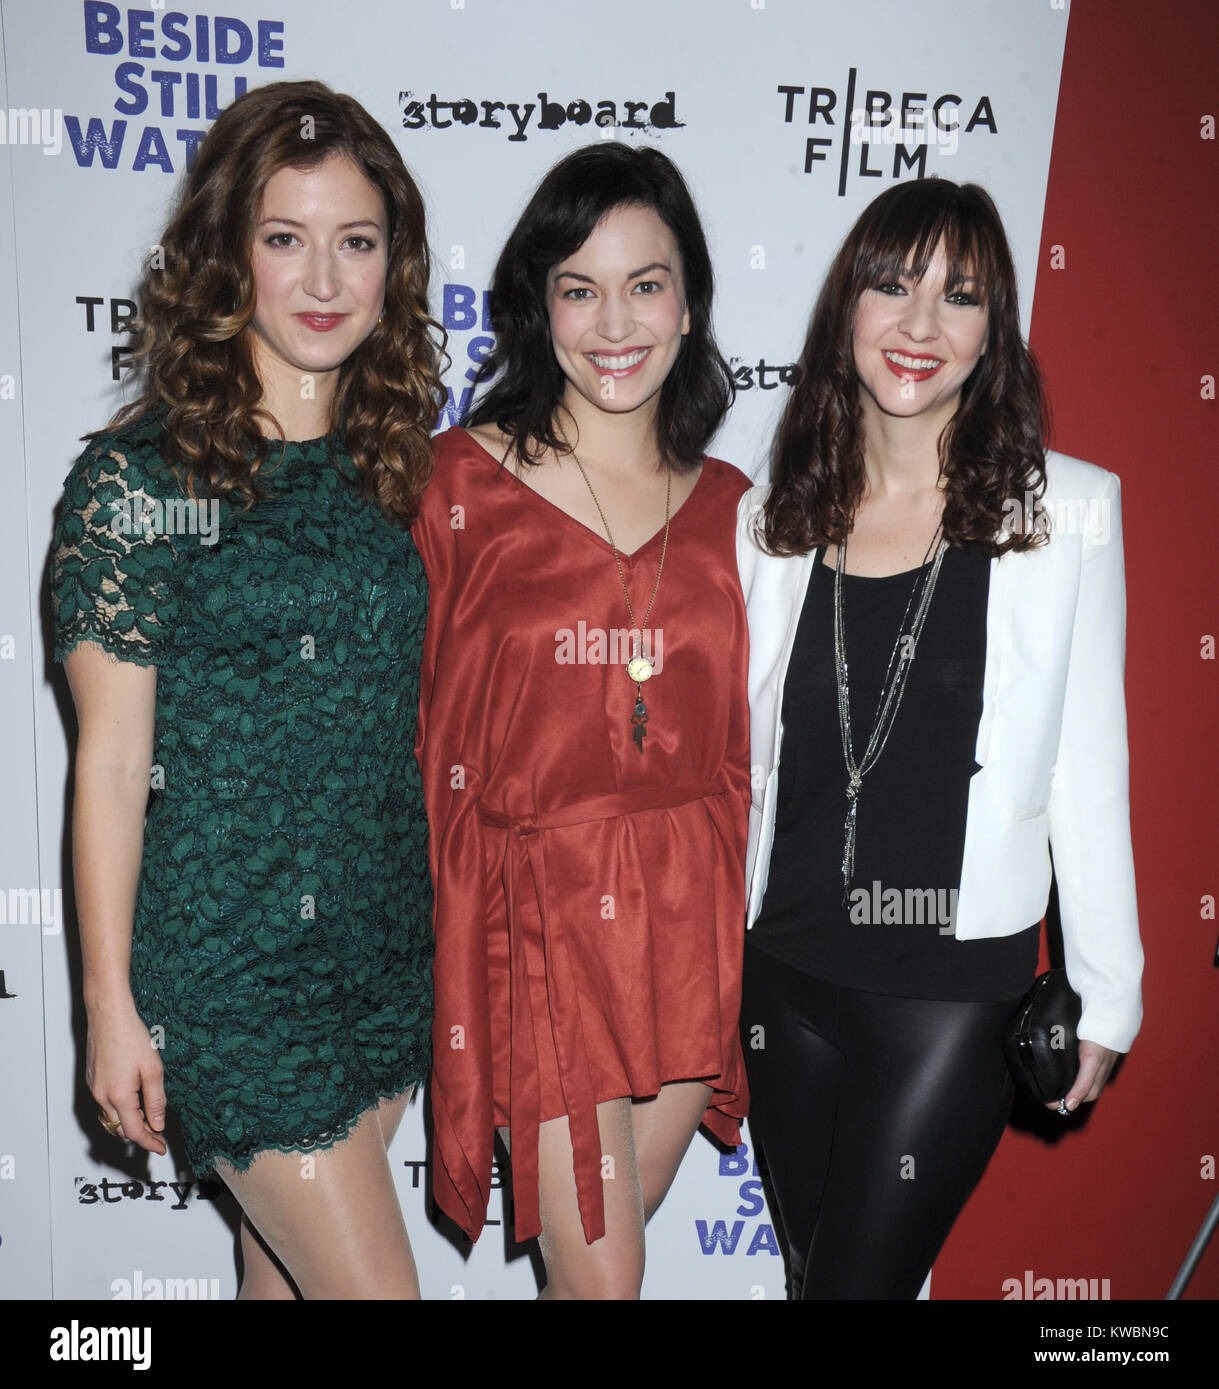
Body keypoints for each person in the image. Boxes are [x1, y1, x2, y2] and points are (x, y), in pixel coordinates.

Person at [50, 80, 444, 1300]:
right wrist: (109, 1007)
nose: (324, 278)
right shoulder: (136, 485)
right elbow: (111, 764)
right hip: (228, 975)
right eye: (285, 239)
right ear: (228, 258)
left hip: (381, 958)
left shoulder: (398, 465)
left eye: (356, 241)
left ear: (395, 263)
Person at [736, 178, 1143, 1299]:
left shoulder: (1064, 515)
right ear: (845, 309)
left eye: (958, 296)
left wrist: (1108, 990)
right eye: (892, 285)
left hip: (949, 991)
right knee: (815, 1275)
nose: (920, 325)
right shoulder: (771, 517)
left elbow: (1086, 765)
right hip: (780, 974)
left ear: (990, 332)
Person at [414, 142, 750, 1299]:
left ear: (689, 299)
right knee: (606, 1280)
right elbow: (399, 728)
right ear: (537, 304)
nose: (614, 321)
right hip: (540, 925)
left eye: (645, 283)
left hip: (684, 925)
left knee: (588, 1271)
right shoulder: (455, 487)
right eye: (578, 286)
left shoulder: (735, 513)